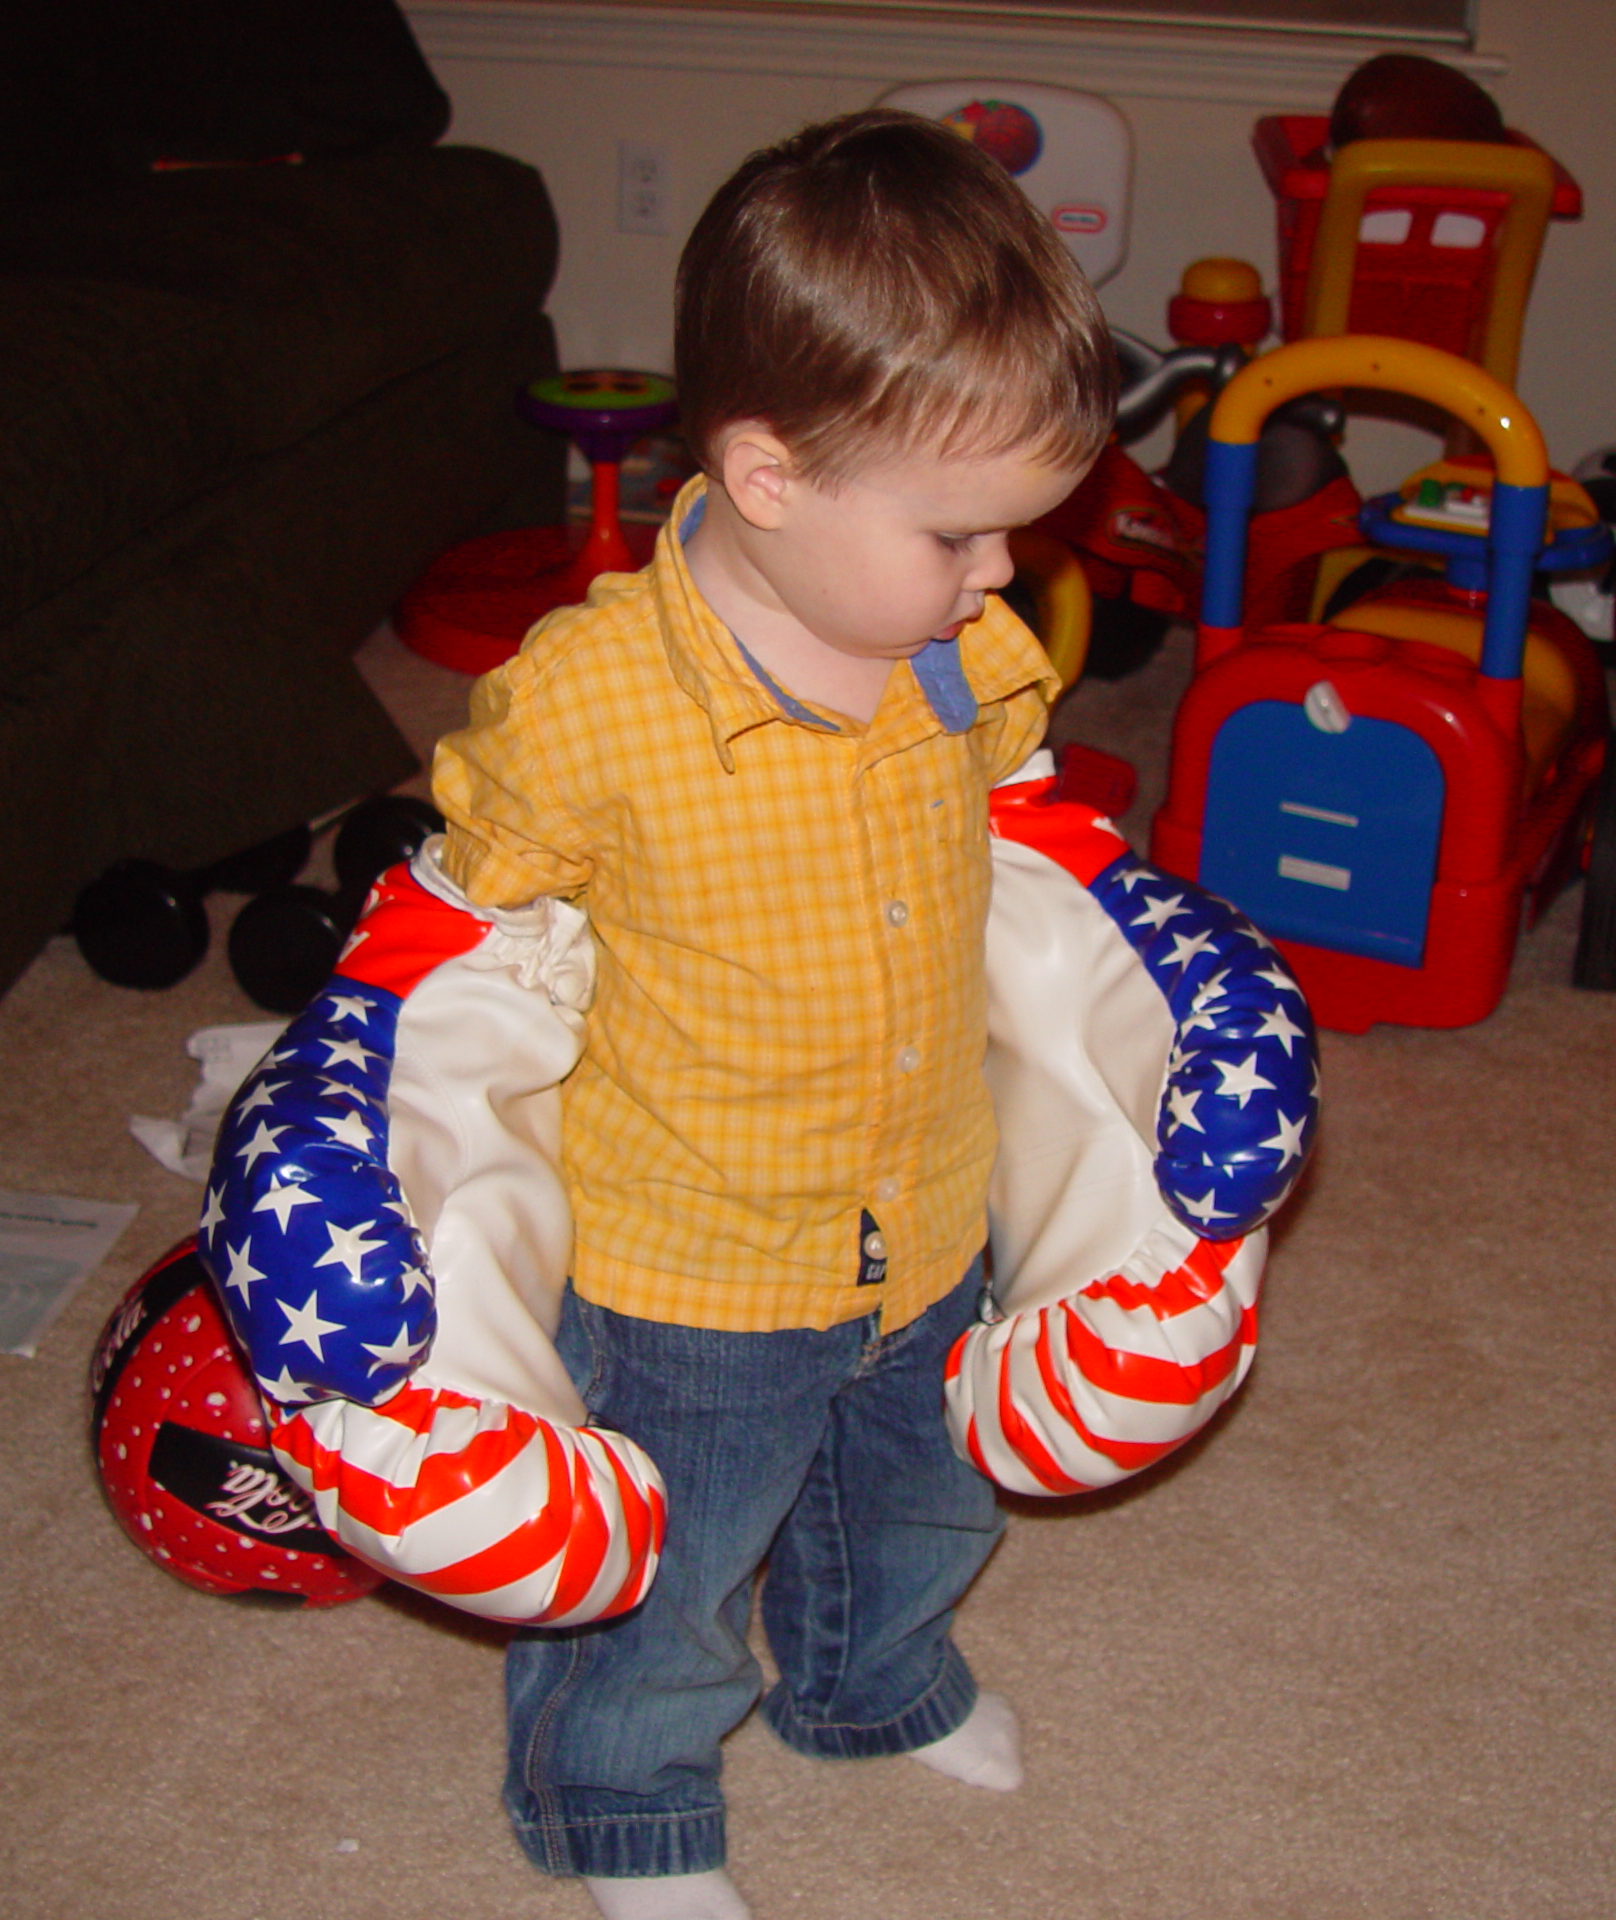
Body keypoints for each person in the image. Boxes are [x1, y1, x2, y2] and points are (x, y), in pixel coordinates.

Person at [425, 108, 1117, 1920]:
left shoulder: (968, 653)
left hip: (927, 1206)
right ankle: (626, 1798)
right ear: (768, 475)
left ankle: (869, 1684)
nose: (998, 579)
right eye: (964, 534)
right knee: (674, 1559)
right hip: (697, 1260)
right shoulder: (587, 701)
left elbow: (1028, 829)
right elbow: (465, 913)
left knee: (923, 1498)